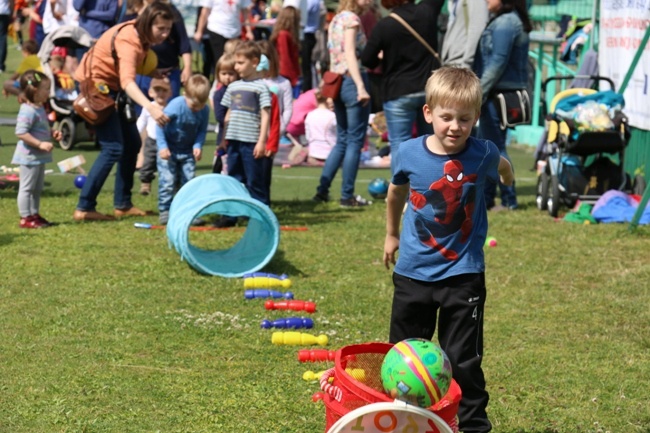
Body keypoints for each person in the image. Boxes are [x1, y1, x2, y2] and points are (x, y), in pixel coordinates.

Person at [383, 66, 513, 433]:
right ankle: (403, 422)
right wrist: (391, 235)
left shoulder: (482, 153)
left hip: (463, 276)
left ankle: (472, 426)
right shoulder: (408, 153)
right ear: (428, 113)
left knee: (463, 359)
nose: (455, 126)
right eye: (446, 117)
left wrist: (506, 177)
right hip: (412, 275)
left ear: (475, 118)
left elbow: (503, 167)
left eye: (465, 119)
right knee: (405, 358)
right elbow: (395, 194)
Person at [72, 1, 174, 221]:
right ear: (148, 23)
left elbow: (126, 70)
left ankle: (123, 204)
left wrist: (154, 72)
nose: (165, 34)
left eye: (168, 29)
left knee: (132, 144)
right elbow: (128, 81)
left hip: (113, 89)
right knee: (113, 148)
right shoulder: (130, 40)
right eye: (161, 29)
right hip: (97, 90)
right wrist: (150, 106)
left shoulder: (141, 35)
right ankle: (84, 207)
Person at [360, 0, 443, 174]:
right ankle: (432, 189)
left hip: (398, 90)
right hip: (429, 89)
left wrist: (382, 58)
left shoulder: (385, 25)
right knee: (431, 143)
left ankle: (402, 195)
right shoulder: (426, 11)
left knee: (399, 144)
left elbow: (367, 60)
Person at [313, 0, 372, 208]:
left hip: (336, 82)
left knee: (343, 140)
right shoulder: (352, 20)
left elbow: (334, 56)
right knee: (355, 140)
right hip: (351, 80)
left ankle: (322, 190)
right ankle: (347, 195)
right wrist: (360, 86)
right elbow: (349, 53)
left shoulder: (337, 19)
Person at [473, 0, 531, 211]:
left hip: (497, 93)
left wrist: (477, 92)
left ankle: (509, 199)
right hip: (503, 92)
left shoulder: (506, 22)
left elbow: (498, 61)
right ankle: (489, 199)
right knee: (490, 146)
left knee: (496, 148)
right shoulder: (509, 20)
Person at [216, 41, 271, 226]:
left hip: (251, 141)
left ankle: (261, 217)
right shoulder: (233, 87)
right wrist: (224, 138)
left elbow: (265, 114)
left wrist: (262, 141)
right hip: (234, 140)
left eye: (240, 63)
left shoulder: (261, 87)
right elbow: (228, 115)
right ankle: (230, 216)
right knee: (233, 179)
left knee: (254, 179)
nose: (236, 67)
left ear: (254, 62)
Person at [156, 74, 210, 225]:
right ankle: (165, 210)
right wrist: (162, 146)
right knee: (168, 181)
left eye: (201, 104)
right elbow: (160, 125)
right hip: (169, 150)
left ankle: (189, 211)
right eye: (194, 104)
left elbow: (201, 131)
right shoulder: (176, 106)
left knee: (189, 181)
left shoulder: (204, 110)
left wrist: (198, 145)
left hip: (187, 152)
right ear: (185, 94)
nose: (197, 108)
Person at [13, 69, 63, 228]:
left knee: (37, 187)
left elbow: (40, 127)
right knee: (27, 188)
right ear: (35, 90)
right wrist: (40, 144)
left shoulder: (39, 107)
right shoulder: (27, 110)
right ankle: (25, 217)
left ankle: (34, 214)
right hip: (29, 156)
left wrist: (52, 132)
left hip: (38, 156)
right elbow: (21, 132)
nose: (49, 92)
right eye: (46, 89)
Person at [193, 0, 254, 71]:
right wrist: (199, 31)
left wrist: (249, 31)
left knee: (235, 62)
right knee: (219, 61)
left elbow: (245, 12)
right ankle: (219, 81)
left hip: (235, 32)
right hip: (217, 30)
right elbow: (205, 11)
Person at [137, 77, 171, 196]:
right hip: (151, 140)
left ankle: (167, 185)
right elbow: (142, 121)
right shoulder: (149, 107)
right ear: (150, 92)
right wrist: (136, 133)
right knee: (148, 163)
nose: (161, 93)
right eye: (157, 90)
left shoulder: (171, 107)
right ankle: (145, 183)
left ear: (170, 92)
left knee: (166, 164)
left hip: (167, 142)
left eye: (164, 90)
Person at [210, 53, 238, 173]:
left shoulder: (241, 89)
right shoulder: (219, 93)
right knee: (222, 166)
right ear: (218, 75)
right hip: (224, 136)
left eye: (231, 74)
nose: (227, 77)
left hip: (241, 135)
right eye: (224, 74)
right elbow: (219, 116)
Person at [440, 0, 488, 69]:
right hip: (452, 62)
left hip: (461, 64)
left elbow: (476, 28)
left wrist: (466, 63)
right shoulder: (455, 2)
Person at [269, 5, 300, 91]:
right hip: (285, 73)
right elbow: (284, 56)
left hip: (290, 72)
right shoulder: (283, 35)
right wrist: (293, 76)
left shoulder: (289, 34)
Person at [304, 89, 335, 165]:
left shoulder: (310, 115)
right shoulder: (333, 116)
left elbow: (308, 137)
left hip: (313, 153)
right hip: (331, 154)